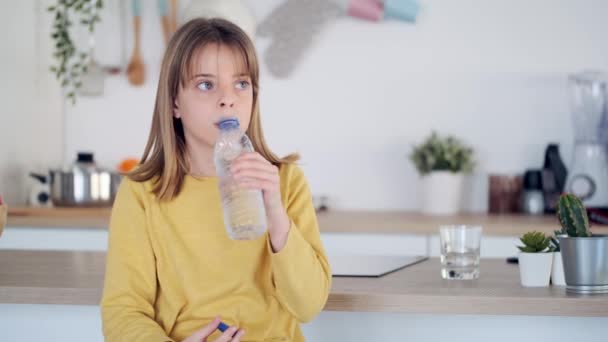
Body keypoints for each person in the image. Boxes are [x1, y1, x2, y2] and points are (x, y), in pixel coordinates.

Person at [100, 18, 331, 342]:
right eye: (206, 85)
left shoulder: (286, 182)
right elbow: (123, 311)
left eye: (241, 83)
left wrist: (276, 213)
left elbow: (308, 306)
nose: (228, 98)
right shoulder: (142, 193)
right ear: (175, 102)